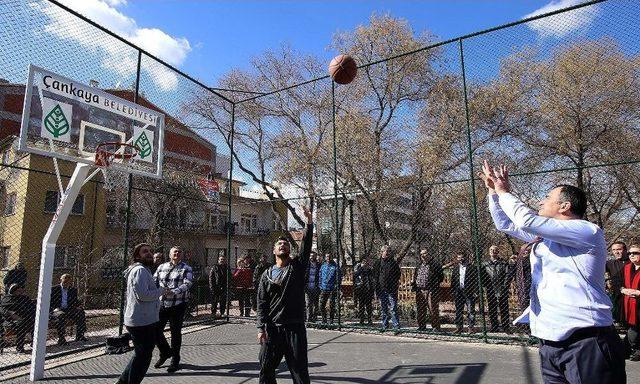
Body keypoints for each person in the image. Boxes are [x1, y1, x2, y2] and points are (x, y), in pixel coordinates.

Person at [480, 159, 626, 383]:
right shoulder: (545, 237)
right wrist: (494, 192)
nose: (541, 201)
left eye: (547, 198)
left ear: (564, 206)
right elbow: (506, 224)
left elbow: (526, 220)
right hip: (550, 345)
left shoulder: (587, 231)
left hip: (586, 342)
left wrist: (504, 191)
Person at [256, 206, 313, 384]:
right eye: (279, 244)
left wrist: (309, 223)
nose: (283, 245)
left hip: (294, 328)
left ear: (289, 250)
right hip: (272, 329)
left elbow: (305, 246)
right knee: (265, 368)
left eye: (286, 244)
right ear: (273, 251)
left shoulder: (297, 267)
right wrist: (260, 328)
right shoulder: (266, 275)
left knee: (299, 371)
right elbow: (261, 303)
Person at [116, 243, 165, 384]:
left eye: (150, 251)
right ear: (137, 256)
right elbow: (143, 295)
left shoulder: (143, 270)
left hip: (141, 319)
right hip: (141, 321)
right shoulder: (140, 271)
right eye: (145, 252)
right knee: (143, 358)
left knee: (139, 355)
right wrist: (161, 291)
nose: (149, 253)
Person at [153, 246, 193, 373]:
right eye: (174, 252)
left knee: (175, 333)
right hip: (162, 304)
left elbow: (187, 284)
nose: (177, 253)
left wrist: (173, 292)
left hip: (178, 305)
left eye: (179, 252)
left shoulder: (186, 268)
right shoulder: (161, 267)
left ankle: (175, 359)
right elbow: (154, 281)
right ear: (169, 255)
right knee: (155, 330)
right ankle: (165, 352)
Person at [482, 245, 513, 333]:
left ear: (498, 252)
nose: (493, 251)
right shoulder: (485, 263)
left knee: (504, 308)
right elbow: (482, 276)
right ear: (489, 252)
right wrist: (486, 285)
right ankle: (494, 326)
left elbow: (508, 275)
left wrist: (505, 285)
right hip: (490, 288)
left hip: (501, 288)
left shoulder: (503, 263)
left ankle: (506, 327)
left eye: (495, 250)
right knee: (492, 308)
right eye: (491, 250)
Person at [411, 249, 444, 331]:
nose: (423, 255)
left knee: (432, 309)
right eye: (421, 254)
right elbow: (416, 275)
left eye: (424, 253)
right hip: (419, 290)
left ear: (428, 254)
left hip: (430, 290)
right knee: (420, 309)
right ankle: (422, 326)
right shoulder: (419, 264)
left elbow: (441, 277)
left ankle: (435, 327)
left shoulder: (435, 264)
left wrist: (434, 284)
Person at [50, 274, 87, 345]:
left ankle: (80, 335)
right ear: (61, 280)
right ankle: (61, 339)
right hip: (57, 310)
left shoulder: (73, 290)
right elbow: (50, 301)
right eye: (65, 281)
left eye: (68, 282)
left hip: (68, 309)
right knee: (61, 316)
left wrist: (78, 306)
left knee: (81, 312)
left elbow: (75, 301)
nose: (66, 283)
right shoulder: (54, 289)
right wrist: (54, 308)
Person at [0, 284, 36, 353]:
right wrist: (12, 314)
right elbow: (3, 310)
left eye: (21, 291)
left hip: (27, 319)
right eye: (18, 291)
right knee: (21, 324)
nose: (20, 292)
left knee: (34, 322)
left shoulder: (24, 298)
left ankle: (34, 343)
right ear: (13, 291)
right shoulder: (6, 299)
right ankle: (19, 347)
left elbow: (32, 308)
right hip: (10, 321)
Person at [374, 245, 401, 333]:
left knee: (393, 308)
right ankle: (384, 325)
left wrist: (393, 284)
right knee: (384, 308)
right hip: (381, 289)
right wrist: (377, 289)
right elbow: (375, 276)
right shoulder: (377, 263)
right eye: (386, 251)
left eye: (389, 251)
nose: (388, 253)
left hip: (391, 290)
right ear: (382, 252)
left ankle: (396, 326)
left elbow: (398, 275)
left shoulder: (393, 263)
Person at [450, 252, 478, 333]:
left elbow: (475, 280)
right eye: (459, 257)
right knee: (459, 310)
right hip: (458, 291)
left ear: (465, 258)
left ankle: (471, 328)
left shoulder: (472, 268)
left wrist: (475, 291)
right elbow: (453, 280)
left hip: (469, 291)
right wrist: (453, 291)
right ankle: (459, 327)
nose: (460, 259)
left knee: (470, 310)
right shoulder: (455, 268)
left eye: (462, 257)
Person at [621, 244, 640, 361]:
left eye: (635, 253)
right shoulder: (627, 268)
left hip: (638, 304)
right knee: (632, 328)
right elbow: (619, 283)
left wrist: (638, 292)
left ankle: (636, 349)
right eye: (630, 253)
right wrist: (623, 289)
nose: (631, 255)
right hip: (628, 304)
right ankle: (634, 349)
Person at [607, 241, 629, 326]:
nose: (616, 252)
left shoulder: (633, 262)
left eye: (619, 249)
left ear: (625, 250)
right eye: (614, 250)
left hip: (632, 297)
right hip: (617, 298)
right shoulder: (610, 264)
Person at [318, 253, 341, 325]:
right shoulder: (323, 266)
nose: (328, 257)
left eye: (329, 256)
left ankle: (331, 320)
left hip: (332, 289)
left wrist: (336, 286)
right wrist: (320, 285)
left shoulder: (335, 267)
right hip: (323, 288)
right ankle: (324, 320)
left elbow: (339, 278)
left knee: (332, 305)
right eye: (327, 256)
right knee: (321, 305)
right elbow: (320, 276)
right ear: (325, 257)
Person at [353, 257, 374, 325]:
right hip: (361, 290)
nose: (365, 265)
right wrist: (361, 268)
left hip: (368, 290)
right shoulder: (359, 270)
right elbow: (355, 275)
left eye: (366, 264)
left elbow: (373, 279)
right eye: (364, 263)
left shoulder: (370, 271)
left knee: (369, 306)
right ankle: (361, 320)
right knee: (361, 306)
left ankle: (369, 320)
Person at [304, 251, 320, 322]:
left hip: (316, 287)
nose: (312, 257)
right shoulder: (307, 264)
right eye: (311, 256)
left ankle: (314, 318)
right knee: (308, 303)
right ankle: (308, 318)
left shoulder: (319, 265)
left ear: (315, 257)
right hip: (308, 287)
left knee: (315, 304)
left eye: (313, 256)